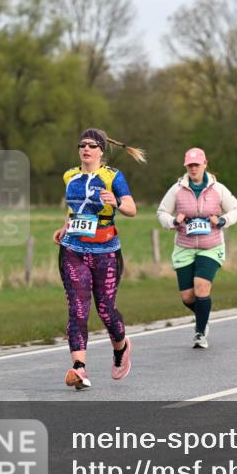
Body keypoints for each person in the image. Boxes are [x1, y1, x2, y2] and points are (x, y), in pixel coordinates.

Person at [52, 128, 145, 390]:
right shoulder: (70, 175)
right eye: (83, 144)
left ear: (101, 150)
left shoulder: (112, 176)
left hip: (105, 252)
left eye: (93, 145)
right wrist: (65, 226)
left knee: (105, 310)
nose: (86, 149)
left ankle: (121, 345)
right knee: (78, 308)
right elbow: (74, 209)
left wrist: (115, 201)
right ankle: (79, 368)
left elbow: (132, 209)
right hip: (74, 250)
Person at [156, 148, 237, 349]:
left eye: (197, 165)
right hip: (184, 247)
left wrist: (222, 220)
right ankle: (203, 317)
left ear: (205, 164)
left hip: (211, 246)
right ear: (186, 167)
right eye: (190, 165)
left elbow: (236, 209)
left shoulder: (218, 189)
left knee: (201, 287)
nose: (193, 169)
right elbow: (161, 212)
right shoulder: (177, 189)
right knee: (187, 297)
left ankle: (200, 333)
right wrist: (173, 221)